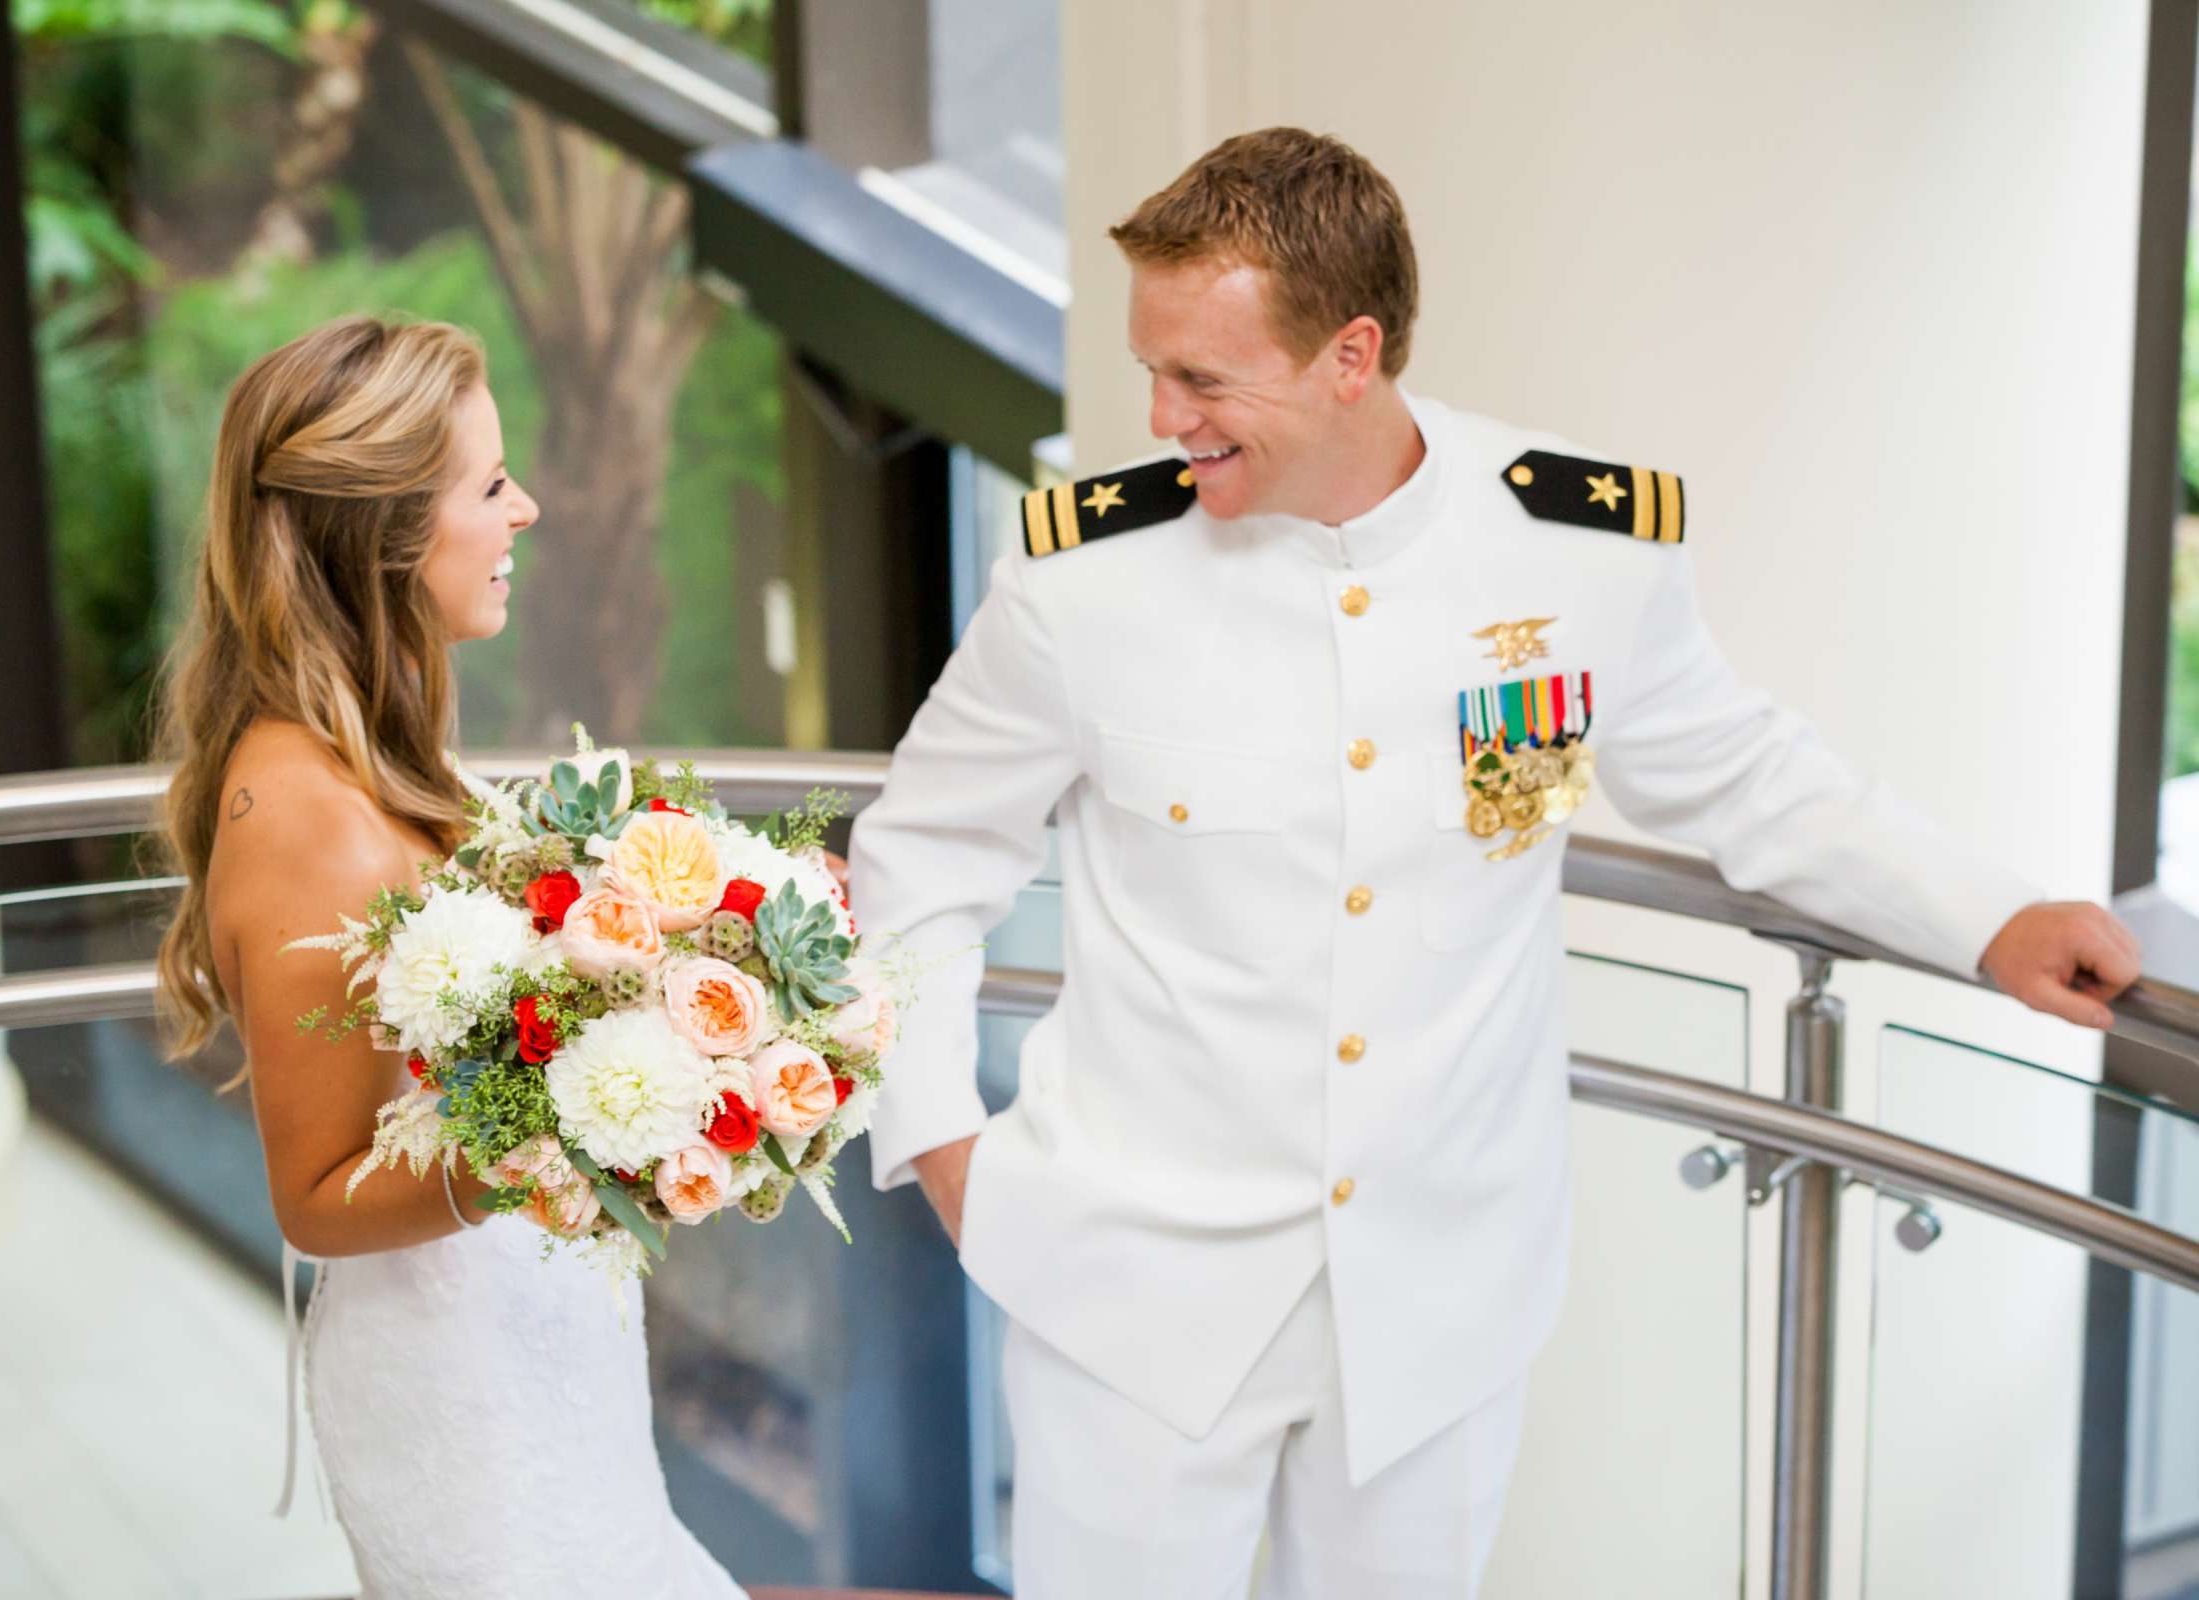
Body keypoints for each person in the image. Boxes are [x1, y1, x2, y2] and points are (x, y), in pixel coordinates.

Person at [847, 128, 2144, 1600]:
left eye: (1204, 379)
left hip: (1439, 1302)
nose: (1162, 415)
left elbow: (1747, 778)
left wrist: (1990, 918)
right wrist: (949, 1156)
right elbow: (923, 855)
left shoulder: (1579, 551)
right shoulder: (1085, 581)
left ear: (1351, 355)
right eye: (1155, 368)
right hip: (1132, 1295)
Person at [152, 316, 742, 1599]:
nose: (524, 508)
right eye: (488, 485)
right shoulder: (299, 812)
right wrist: (566, 1133)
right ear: (387, 537)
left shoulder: (377, 740)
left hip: (535, 1339)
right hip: (465, 1402)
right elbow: (313, 1191)